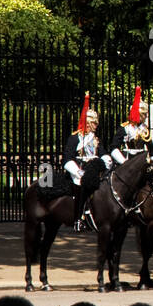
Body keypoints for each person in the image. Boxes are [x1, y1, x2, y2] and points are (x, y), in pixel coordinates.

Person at [64, 95, 106, 224]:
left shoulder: (95, 138)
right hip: (80, 170)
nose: (96, 125)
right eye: (94, 122)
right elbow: (67, 158)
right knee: (81, 184)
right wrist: (78, 172)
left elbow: (102, 153)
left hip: (94, 170)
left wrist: (107, 159)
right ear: (87, 123)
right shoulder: (75, 138)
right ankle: (78, 217)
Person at [109, 86, 153, 165]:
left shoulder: (144, 129)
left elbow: (151, 148)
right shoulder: (125, 128)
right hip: (128, 159)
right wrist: (123, 162)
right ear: (138, 114)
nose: (146, 116)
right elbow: (114, 147)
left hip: (142, 158)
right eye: (144, 114)